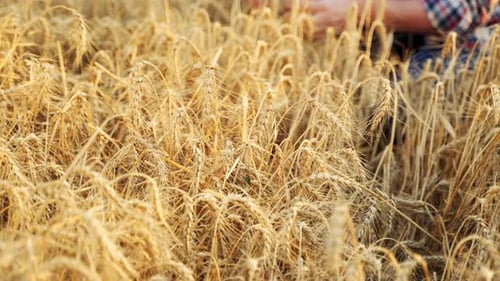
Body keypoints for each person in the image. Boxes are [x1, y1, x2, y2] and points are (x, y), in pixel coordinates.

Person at [248, 0, 500, 76]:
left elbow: (463, 9)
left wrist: (358, 11)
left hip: (472, 45)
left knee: (396, 103)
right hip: (406, 32)